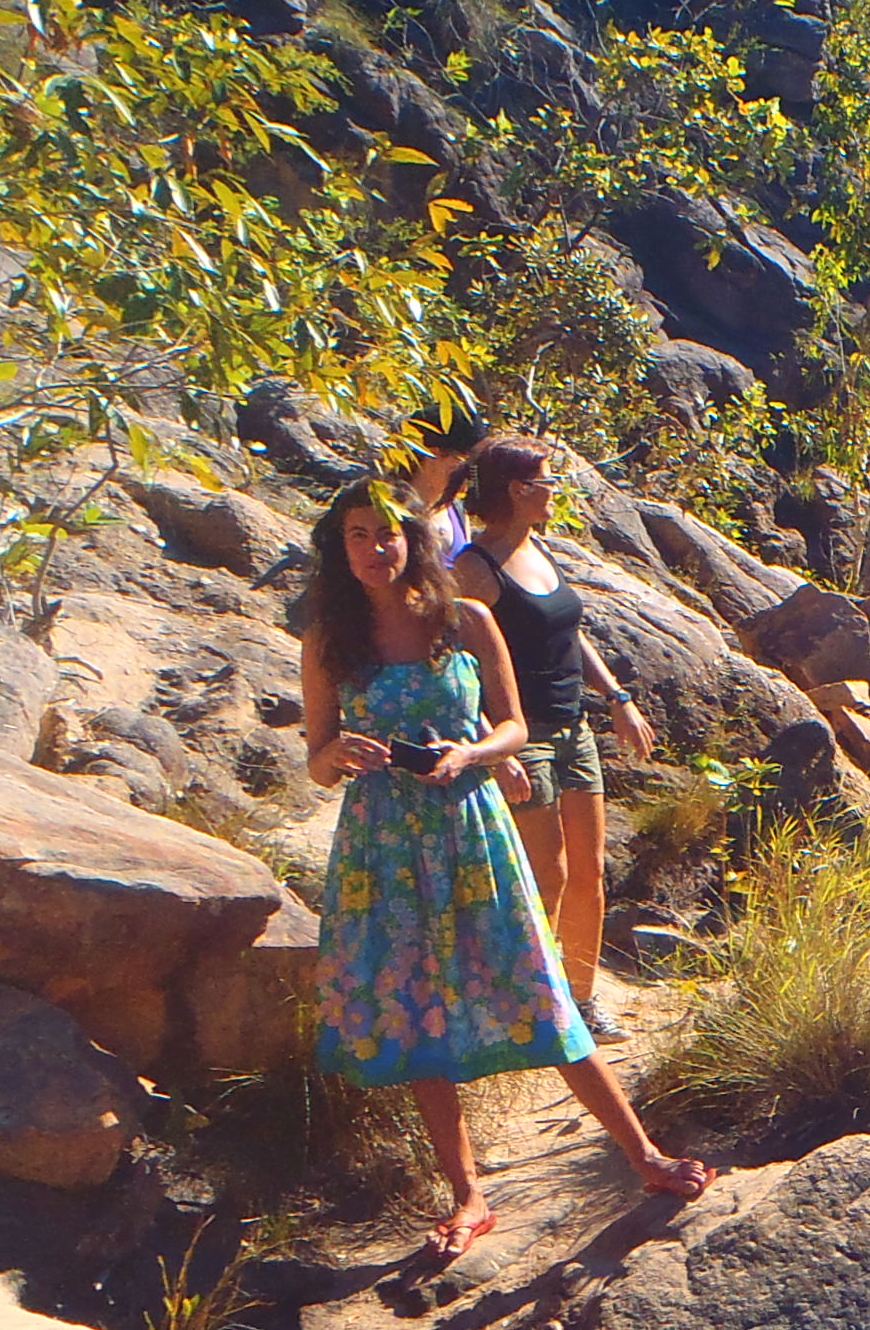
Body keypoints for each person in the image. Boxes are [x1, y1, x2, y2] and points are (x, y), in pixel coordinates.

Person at [300, 485, 711, 1262]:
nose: (374, 549)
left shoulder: (465, 618)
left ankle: (644, 1156)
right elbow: (316, 761)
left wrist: (471, 754)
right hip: (382, 845)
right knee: (415, 1011)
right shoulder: (328, 640)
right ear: (339, 547)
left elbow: (516, 726)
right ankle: (468, 1195)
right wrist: (339, 755)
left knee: (536, 983)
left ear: (412, 539)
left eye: (387, 533)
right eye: (357, 535)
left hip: (470, 827)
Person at [449, 432, 653, 1038]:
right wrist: (493, 747)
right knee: (547, 874)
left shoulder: (538, 549)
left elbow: (569, 633)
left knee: (589, 872)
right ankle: (529, 1005)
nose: (554, 492)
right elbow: (458, 663)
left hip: (573, 728)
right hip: (523, 736)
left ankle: (581, 1003)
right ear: (518, 490)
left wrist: (617, 698)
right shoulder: (474, 568)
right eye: (547, 482)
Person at [399, 405, 486, 563]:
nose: (474, 471)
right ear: (434, 453)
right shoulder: (390, 508)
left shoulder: (457, 511)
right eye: (468, 460)